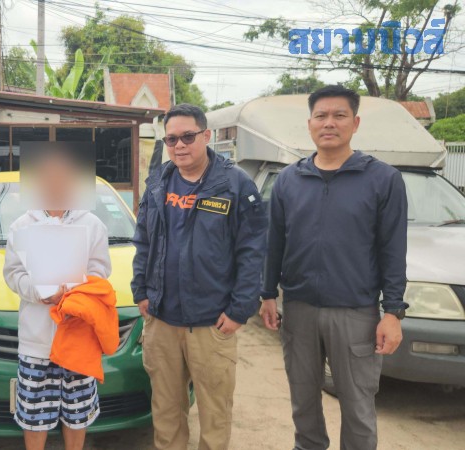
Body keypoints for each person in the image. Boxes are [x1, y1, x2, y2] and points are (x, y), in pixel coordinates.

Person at [259, 85, 408, 450]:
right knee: (303, 402)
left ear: (355, 123)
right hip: (299, 310)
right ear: (309, 123)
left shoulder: (382, 179)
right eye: (321, 116)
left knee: (358, 405)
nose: (329, 123)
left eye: (339, 115)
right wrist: (267, 294)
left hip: (355, 312)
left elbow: (393, 250)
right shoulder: (289, 180)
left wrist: (393, 312)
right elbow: (274, 242)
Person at [131, 103, 268, 450]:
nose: (179, 145)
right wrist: (140, 291)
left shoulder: (234, 184)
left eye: (188, 137)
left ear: (206, 136)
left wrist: (239, 310)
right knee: (166, 411)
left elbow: (252, 251)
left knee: (214, 413)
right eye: (172, 139)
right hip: (162, 319)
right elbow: (143, 240)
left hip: (211, 322)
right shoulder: (158, 182)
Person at [4, 148, 112, 450]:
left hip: (78, 335)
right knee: (34, 414)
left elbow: (100, 271)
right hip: (37, 340)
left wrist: (75, 288)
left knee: (78, 413)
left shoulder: (92, 224)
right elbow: (13, 274)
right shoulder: (21, 225)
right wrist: (41, 291)